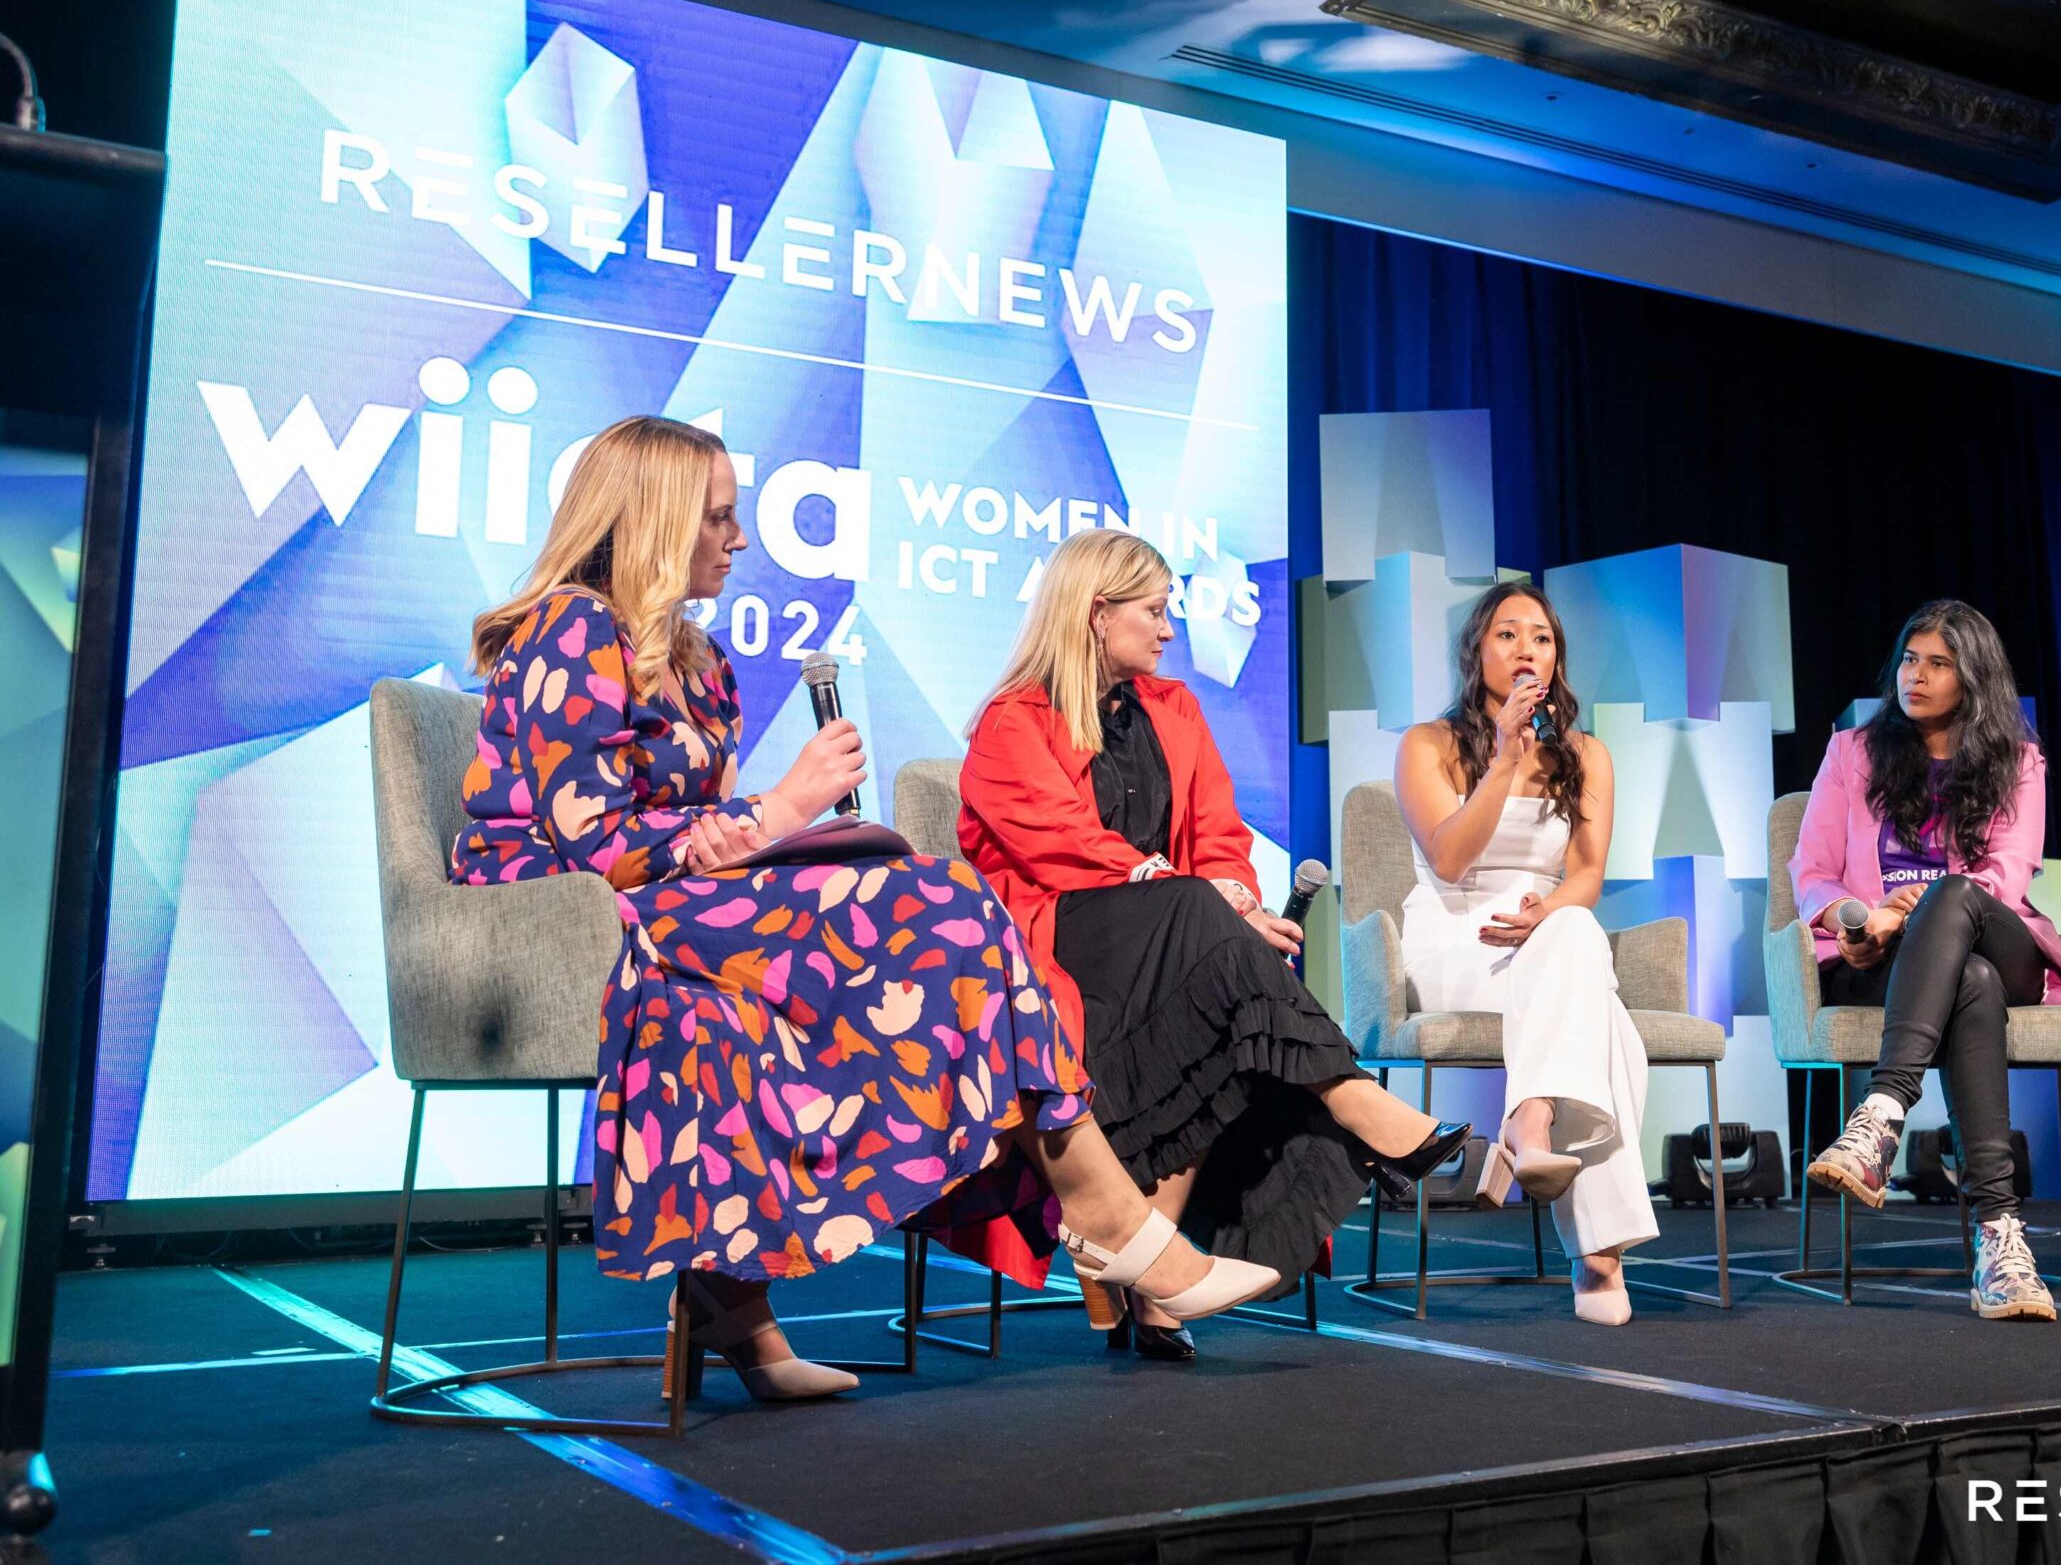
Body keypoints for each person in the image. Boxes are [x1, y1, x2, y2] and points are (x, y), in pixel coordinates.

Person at [451, 417, 1277, 1402]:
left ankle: (740, 1308)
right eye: (719, 519)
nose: (740, 539)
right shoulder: (571, 630)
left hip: (669, 908)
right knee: (941, 912)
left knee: (925, 899)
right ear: (660, 526)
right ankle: (1110, 1220)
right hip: (555, 920)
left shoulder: (700, 661)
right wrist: (784, 808)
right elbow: (599, 843)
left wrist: (794, 834)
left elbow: (694, 830)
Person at [958, 528, 1470, 1360]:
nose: (1168, 631)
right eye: (1155, 612)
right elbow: (1058, 845)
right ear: (1096, 612)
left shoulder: (1175, 708)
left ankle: (1160, 1285)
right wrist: (1197, 896)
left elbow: (1219, 836)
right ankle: (1354, 1096)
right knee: (1209, 931)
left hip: (1172, 954)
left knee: (1230, 979)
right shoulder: (1012, 721)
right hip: (1059, 953)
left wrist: (1236, 901)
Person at [1789, 599, 2061, 1322]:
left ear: (1973, 677)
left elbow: (2006, 876)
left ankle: (1882, 1110)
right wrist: (1859, 918)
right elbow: (1813, 872)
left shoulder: (2018, 759)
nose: (1914, 675)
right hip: (1890, 958)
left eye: (1937, 663)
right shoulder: (1853, 752)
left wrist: (1909, 908)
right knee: (1969, 984)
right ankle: (1999, 1239)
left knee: (1959, 906)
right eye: (1909, 658)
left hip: (1998, 936)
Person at [1393, 583, 1656, 1325]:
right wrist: (1506, 760)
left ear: (1557, 657)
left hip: (1547, 931)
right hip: (1456, 935)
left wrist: (1548, 912)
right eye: (1507, 635)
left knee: (1577, 937)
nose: (1525, 650)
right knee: (1611, 1033)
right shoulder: (1426, 745)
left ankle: (1530, 1121)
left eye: (1539, 637)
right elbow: (1448, 857)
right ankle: (1598, 1257)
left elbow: (1587, 875)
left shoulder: (1587, 754)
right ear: (1477, 652)